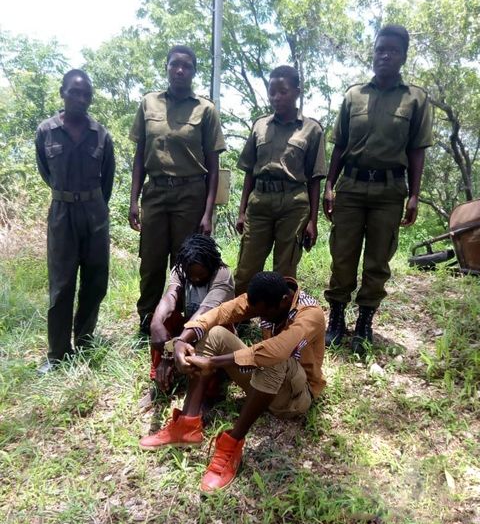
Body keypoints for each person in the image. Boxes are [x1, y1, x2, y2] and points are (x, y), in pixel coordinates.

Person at [139, 271, 326, 494]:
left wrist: (213, 362)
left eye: (263, 312)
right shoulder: (268, 297)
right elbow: (218, 313)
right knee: (215, 333)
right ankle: (187, 426)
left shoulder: (310, 314)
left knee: (275, 356)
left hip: (295, 397)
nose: (258, 316)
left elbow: (277, 350)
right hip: (267, 382)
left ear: (284, 302)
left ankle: (231, 445)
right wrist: (181, 341)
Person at [323, 24, 432, 355]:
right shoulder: (354, 95)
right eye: (380, 49)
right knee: (343, 255)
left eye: (392, 50)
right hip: (351, 186)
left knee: (378, 258)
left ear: (403, 56)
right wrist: (329, 184)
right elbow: (339, 145)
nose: (385, 55)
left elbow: (417, 150)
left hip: (389, 190)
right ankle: (337, 317)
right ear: (374, 53)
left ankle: (365, 320)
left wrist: (414, 194)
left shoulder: (415, 99)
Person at [129, 45, 226, 334]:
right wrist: (134, 200)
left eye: (186, 66)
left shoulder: (205, 110)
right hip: (156, 193)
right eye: (174, 65)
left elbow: (213, 165)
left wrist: (208, 212)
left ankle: (179, 320)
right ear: (167, 67)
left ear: (194, 71)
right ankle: (148, 319)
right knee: (151, 260)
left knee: (185, 261)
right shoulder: (149, 103)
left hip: (190, 194)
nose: (180, 70)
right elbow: (139, 155)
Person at [35, 69, 115, 374]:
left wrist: (92, 204)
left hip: (95, 213)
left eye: (86, 94)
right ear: (62, 93)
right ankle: (57, 353)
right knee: (61, 284)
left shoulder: (101, 134)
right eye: (74, 92)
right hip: (61, 214)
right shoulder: (46, 131)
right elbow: (46, 171)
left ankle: (84, 340)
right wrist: (67, 196)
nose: (80, 99)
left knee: (96, 280)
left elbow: (107, 178)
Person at [234, 65, 326, 296]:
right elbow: (249, 171)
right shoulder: (260, 126)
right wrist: (242, 210)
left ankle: (281, 322)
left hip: (293, 205)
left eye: (282, 91)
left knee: (285, 270)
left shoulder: (311, 129)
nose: (276, 97)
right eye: (272, 91)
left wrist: (313, 221)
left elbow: (315, 179)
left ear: (297, 91)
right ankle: (240, 317)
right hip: (260, 201)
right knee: (247, 266)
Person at [145, 234, 234, 400]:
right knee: (163, 318)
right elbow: (170, 297)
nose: (195, 279)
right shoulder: (181, 268)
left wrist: (177, 343)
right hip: (189, 330)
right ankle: (161, 379)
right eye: (191, 275)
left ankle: (209, 393)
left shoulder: (223, 273)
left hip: (215, 330)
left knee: (213, 330)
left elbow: (207, 312)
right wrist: (156, 324)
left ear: (211, 265)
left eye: (201, 275)